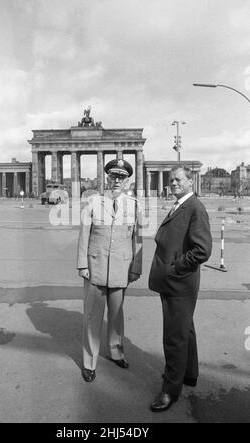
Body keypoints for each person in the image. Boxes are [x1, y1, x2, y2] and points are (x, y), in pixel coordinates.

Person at [148, 165, 212, 412]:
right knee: (186, 329)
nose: (173, 183)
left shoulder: (194, 207)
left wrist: (175, 267)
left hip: (179, 282)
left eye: (178, 179)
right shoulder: (181, 204)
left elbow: (202, 250)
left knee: (174, 337)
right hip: (176, 281)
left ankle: (169, 391)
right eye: (171, 179)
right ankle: (189, 374)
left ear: (190, 182)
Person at [77, 159, 142, 382]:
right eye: (113, 176)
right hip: (95, 267)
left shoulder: (134, 205)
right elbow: (84, 235)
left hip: (121, 268)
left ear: (127, 180)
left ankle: (116, 352)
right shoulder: (94, 203)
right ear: (107, 178)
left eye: (121, 177)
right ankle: (89, 362)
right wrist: (82, 264)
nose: (117, 181)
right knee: (93, 317)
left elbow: (138, 240)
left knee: (116, 316)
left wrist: (136, 268)